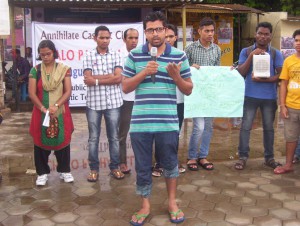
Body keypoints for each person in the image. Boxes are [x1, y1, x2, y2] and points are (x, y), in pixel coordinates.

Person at [122, 11, 193, 225]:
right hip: (140, 123)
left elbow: (188, 90)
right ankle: (145, 205)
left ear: (165, 31)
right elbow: (125, 87)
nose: (155, 34)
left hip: (167, 122)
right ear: (145, 33)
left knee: (170, 163)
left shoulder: (179, 55)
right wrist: (144, 72)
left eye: (159, 29)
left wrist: (176, 77)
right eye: (151, 30)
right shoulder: (135, 55)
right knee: (143, 166)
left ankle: (172, 202)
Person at [234, 22, 284, 170]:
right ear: (255, 35)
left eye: (266, 34)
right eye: (260, 33)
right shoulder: (246, 51)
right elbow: (241, 72)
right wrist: (251, 56)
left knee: (269, 128)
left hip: (269, 97)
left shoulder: (275, 53)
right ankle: (242, 157)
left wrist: (265, 79)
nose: (262, 36)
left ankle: (269, 158)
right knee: (245, 127)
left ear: (270, 36)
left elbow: (281, 75)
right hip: (250, 95)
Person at [28, 40, 74, 186]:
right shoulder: (35, 70)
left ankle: (64, 170)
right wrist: (43, 108)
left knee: (63, 140)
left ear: (54, 52)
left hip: (60, 111)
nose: (45, 57)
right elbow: (32, 93)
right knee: (40, 143)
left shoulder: (64, 69)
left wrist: (56, 105)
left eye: (48, 54)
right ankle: (42, 173)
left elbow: (68, 91)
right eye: (42, 55)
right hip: (41, 111)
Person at [83, 25, 124, 182]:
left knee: (114, 137)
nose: (105, 40)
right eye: (102, 37)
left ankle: (115, 167)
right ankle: (94, 169)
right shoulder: (87, 56)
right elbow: (88, 80)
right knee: (93, 138)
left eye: (107, 37)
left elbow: (118, 78)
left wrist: (97, 79)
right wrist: (108, 77)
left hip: (113, 103)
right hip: (94, 103)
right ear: (95, 38)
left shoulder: (116, 55)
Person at [185, 17, 221, 171]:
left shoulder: (217, 49)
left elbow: (217, 72)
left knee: (208, 127)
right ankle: (192, 156)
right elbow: (183, 70)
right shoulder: (190, 49)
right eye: (206, 31)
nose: (210, 34)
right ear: (199, 31)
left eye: (212, 31)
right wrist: (191, 67)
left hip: (210, 94)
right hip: (196, 93)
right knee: (198, 126)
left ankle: (203, 156)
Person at [152, 23, 186, 177]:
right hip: (161, 102)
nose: (169, 39)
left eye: (171, 37)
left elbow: (188, 80)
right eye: (166, 37)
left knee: (175, 133)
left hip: (179, 102)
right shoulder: (155, 56)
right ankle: (159, 163)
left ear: (175, 37)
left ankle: (172, 163)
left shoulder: (181, 55)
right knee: (159, 133)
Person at [274, 29, 300, 174]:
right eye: (296, 40)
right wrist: (282, 105)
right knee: (291, 138)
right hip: (291, 107)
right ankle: (288, 164)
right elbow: (283, 84)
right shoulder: (289, 61)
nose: (298, 43)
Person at [119, 28, 139, 174]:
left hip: (141, 99)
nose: (134, 41)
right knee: (123, 134)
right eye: (130, 38)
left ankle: (143, 161)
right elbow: (119, 78)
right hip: (125, 100)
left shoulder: (142, 55)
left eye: (136, 38)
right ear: (124, 39)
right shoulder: (120, 57)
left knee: (140, 133)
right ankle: (122, 162)